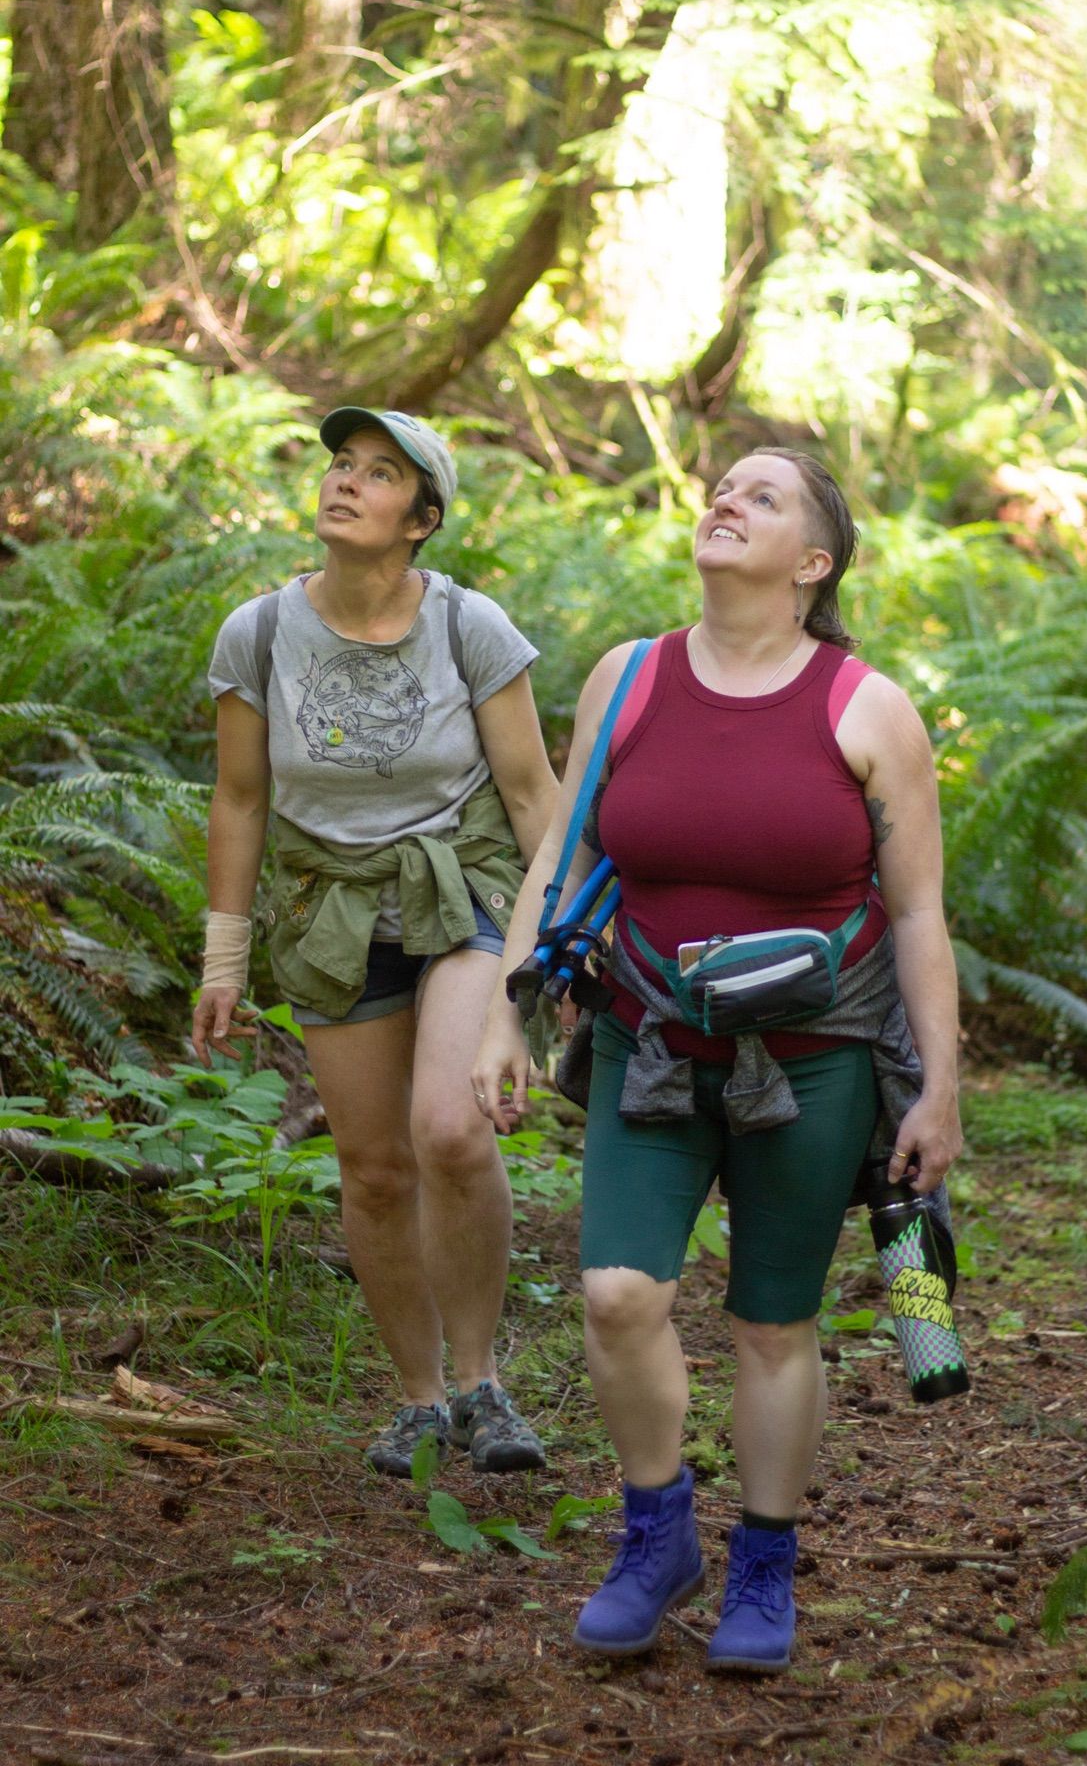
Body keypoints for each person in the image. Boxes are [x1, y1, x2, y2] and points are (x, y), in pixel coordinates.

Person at [473, 448, 962, 1672]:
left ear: (811, 562)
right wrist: (504, 1008)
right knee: (617, 1291)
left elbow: (915, 915)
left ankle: (762, 1560)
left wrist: (939, 1087)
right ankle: (655, 1533)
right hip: (646, 1043)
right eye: (722, 485)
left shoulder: (865, 706)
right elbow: (563, 849)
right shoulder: (628, 678)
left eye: (764, 495)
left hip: (815, 1059)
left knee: (770, 1322)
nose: (726, 500)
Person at [193, 407, 557, 1474]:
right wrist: (223, 961)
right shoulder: (256, 632)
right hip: (327, 910)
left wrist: (561, 951)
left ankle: (484, 1382)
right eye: (340, 465)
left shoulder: (468, 625)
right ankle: (417, 1394)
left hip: (463, 889)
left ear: (422, 519)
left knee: (448, 1127)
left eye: (380, 473)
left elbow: (535, 794)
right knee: (373, 1166)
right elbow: (241, 800)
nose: (345, 482)